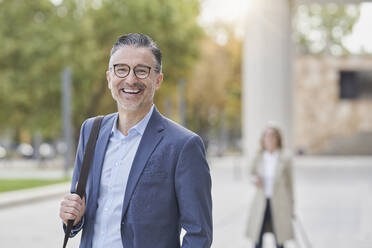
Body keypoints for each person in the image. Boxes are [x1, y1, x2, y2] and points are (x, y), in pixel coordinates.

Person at [59, 33, 213, 248]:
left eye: (142, 71)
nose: (130, 79)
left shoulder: (183, 145)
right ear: (109, 77)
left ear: (158, 79)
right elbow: (79, 211)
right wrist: (73, 218)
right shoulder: (91, 131)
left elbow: (199, 233)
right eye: (121, 69)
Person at [246, 126, 294, 248]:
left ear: (278, 138)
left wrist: (292, 207)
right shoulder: (259, 157)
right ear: (263, 139)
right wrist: (255, 179)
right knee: (257, 238)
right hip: (262, 201)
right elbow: (250, 173)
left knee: (280, 238)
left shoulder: (285, 157)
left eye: (273, 136)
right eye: (267, 136)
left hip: (279, 202)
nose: (270, 139)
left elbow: (290, 184)